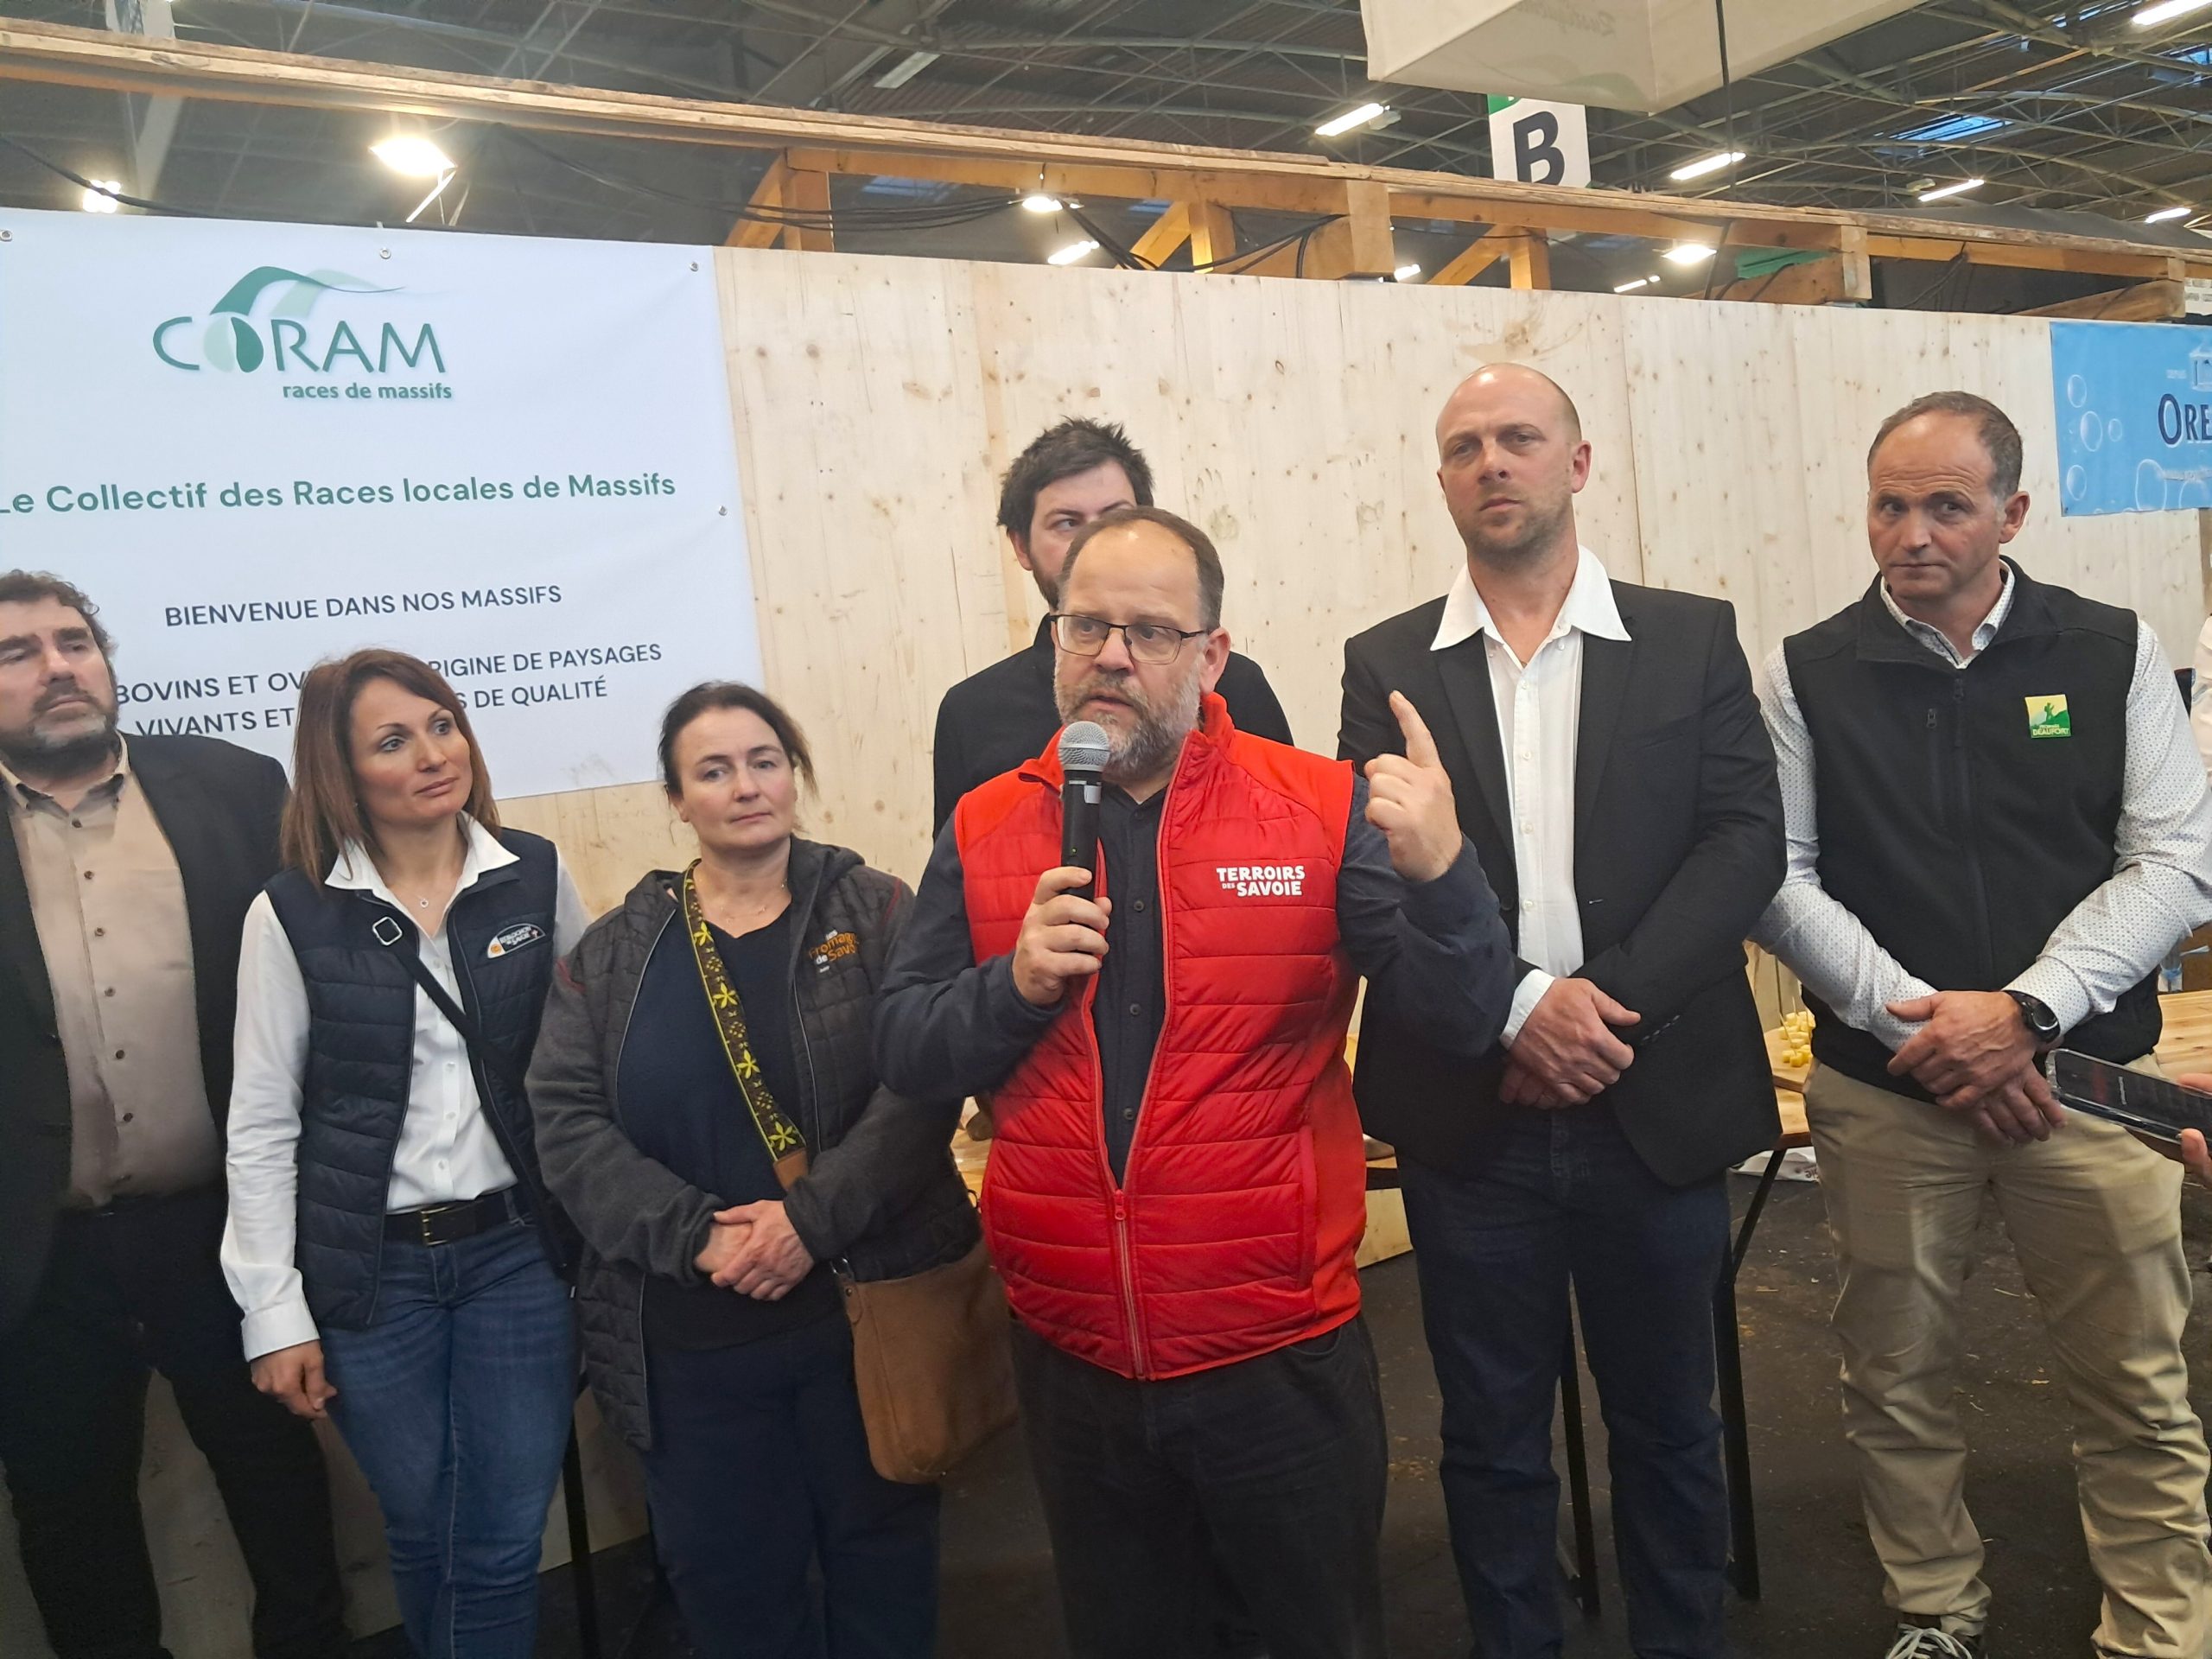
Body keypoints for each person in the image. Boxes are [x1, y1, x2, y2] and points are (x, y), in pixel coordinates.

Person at [877, 505, 1516, 1659]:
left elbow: (1464, 1018)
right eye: (1088, 626)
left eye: (1150, 632)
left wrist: (1447, 875)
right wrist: (1010, 986)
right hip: (1072, 1358)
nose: (1112, 655)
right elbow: (910, 1050)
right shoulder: (983, 825)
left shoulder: (1316, 810)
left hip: (1272, 1350)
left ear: (1212, 654)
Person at [1751, 390, 2212, 1659]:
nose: (1912, 533)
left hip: (2085, 1081)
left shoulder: (2110, 649)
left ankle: (2161, 1631)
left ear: (2011, 512)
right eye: (1889, 504)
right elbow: (1780, 873)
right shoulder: (1804, 670)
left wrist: (2026, 1012)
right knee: (1893, 1378)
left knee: (2135, 1383)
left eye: (1947, 506)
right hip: (1891, 1088)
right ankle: (1937, 1608)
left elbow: (2175, 858)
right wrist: (1935, 1032)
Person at [1339, 365, 1784, 1659]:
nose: (1494, 462)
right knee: (1487, 1438)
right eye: (1465, 446)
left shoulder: (1691, 637)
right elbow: (1373, 881)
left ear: (1576, 465)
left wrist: (1603, 1009)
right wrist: (1523, 1009)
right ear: (1442, 484)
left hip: (1651, 1100)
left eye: (1519, 439)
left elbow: (1744, 843)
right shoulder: (1386, 665)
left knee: (1670, 1426)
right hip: (1471, 1116)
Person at [530, 681, 976, 1658]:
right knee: (731, 1587)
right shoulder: (612, 956)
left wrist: (806, 1222)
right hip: (688, 1344)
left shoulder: (877, 908)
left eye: (764, 761)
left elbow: (919, 1088)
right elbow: (564, 1122)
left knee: (882, 1562)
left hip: (859, 1322)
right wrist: (696, 1237)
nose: (745, 787)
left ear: (794, 774)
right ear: (677, 799)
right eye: (714, 770)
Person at [0, 570, 346, 1659]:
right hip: (40, 1255)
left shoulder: (235, 788)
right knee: (69, 1516)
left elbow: (325, 993)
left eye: (74, 642)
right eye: (17, 652)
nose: (59, 666)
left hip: (221, 1231)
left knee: (280, 1483)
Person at [222, 647, 590, 1659]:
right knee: (427, 1532)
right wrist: (272, 1312)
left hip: (515, 1254)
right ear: (344, 773)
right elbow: (260, 1124)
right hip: (369, 1275)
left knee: (502, 1538)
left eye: (442, 724)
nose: (435, 753)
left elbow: (586, 1065)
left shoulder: (537, 876)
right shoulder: (291, 913)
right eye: (394, 740)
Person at [931, 416, 1293, 832]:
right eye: (1067, 522)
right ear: (1020, 546)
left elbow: (1286, 829)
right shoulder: (973, 711)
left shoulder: (1231, 683)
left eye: (1116, 517)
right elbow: (962, 878)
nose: (1096, 541)